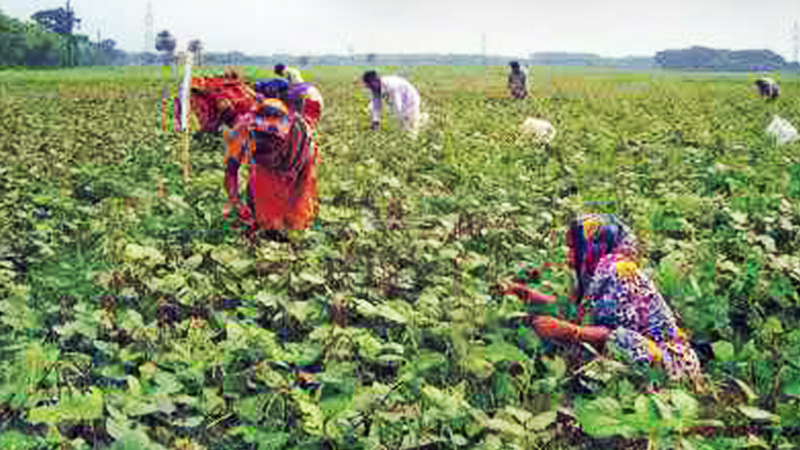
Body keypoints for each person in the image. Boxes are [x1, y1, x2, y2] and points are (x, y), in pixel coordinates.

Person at [500, 213, 708, 393]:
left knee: (592, 345)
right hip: (646, 356)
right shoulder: (596, 272)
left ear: (593, 247)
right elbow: (572, 307)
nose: (570, 258)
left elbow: (618, 335)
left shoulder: (617, 271)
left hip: (670, 364)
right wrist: (523, 292)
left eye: (575, 249)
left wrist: (570, 332)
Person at [362, 70, 423, 136]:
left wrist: (402, 118)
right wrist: (375, 121)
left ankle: (417, 126)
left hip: (411, 98)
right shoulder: (375, 88)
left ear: (375, 81)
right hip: (400, 100)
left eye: (370, 85)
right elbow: (376, 105)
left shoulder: (391, 84)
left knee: (409, 122)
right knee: (404, 125)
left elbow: (397, 104)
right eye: (368, 86)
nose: (369, 87)